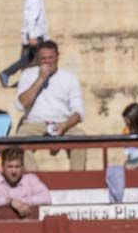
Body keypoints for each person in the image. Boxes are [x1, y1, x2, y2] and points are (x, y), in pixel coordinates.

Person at [12, 40, 87, 170]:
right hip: (34, 124)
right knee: (18, 141)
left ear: (57, 57)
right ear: (38, 59)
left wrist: (64, 126)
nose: (47, 62)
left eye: (51, 58)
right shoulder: (28, 75)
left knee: (80, 138)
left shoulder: (69, 78)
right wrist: (40, 79)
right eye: (43, 59)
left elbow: (79, 112)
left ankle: (77, 179)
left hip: (62, 122)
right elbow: (20, 105)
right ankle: (33, 177)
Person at [0, 147, 52, 218]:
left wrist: (20, 202)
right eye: (10, 167)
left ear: (22, 167)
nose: (13, 171)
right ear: (2, 167)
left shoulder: (30, 179)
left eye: (17, 167)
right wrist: (9, 201)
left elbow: (46, 198)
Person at [0, 0, 48, 88]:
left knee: (27, 61)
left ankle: (18, 80)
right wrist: (32, 37)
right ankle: (8, 74)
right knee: (39, 60)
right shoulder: (34, 1)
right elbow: (31, 20)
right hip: (35, 36)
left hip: (32, 35)